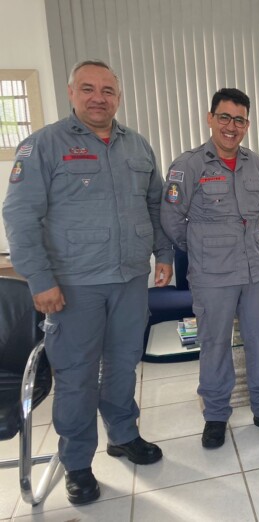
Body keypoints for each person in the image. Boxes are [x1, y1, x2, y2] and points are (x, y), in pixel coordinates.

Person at [2, 60, 173, 505]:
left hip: (130, 278)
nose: (99, 98)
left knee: (123, 364)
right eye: (88, 88)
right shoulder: (43, 145)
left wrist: (164, 254)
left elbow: (156, 206)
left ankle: (123, 434)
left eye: (107, 90)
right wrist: (40, 279)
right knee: (76, 375)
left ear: (119, 96)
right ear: (71, 93)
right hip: (73, 285)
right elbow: (19, 216)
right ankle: (77, 462)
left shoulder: (137, 145)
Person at [160, 88, 259, 448]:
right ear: (210, 118)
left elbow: (257, 208)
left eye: (239, 120)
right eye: (224, 117)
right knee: (214, 343)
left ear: (247, 124)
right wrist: (203, 248)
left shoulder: (257, 163)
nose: (231, 126)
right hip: (212, 274)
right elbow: (171, 219)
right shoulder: (188, 165)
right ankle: (216, 415)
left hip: (256, 268)